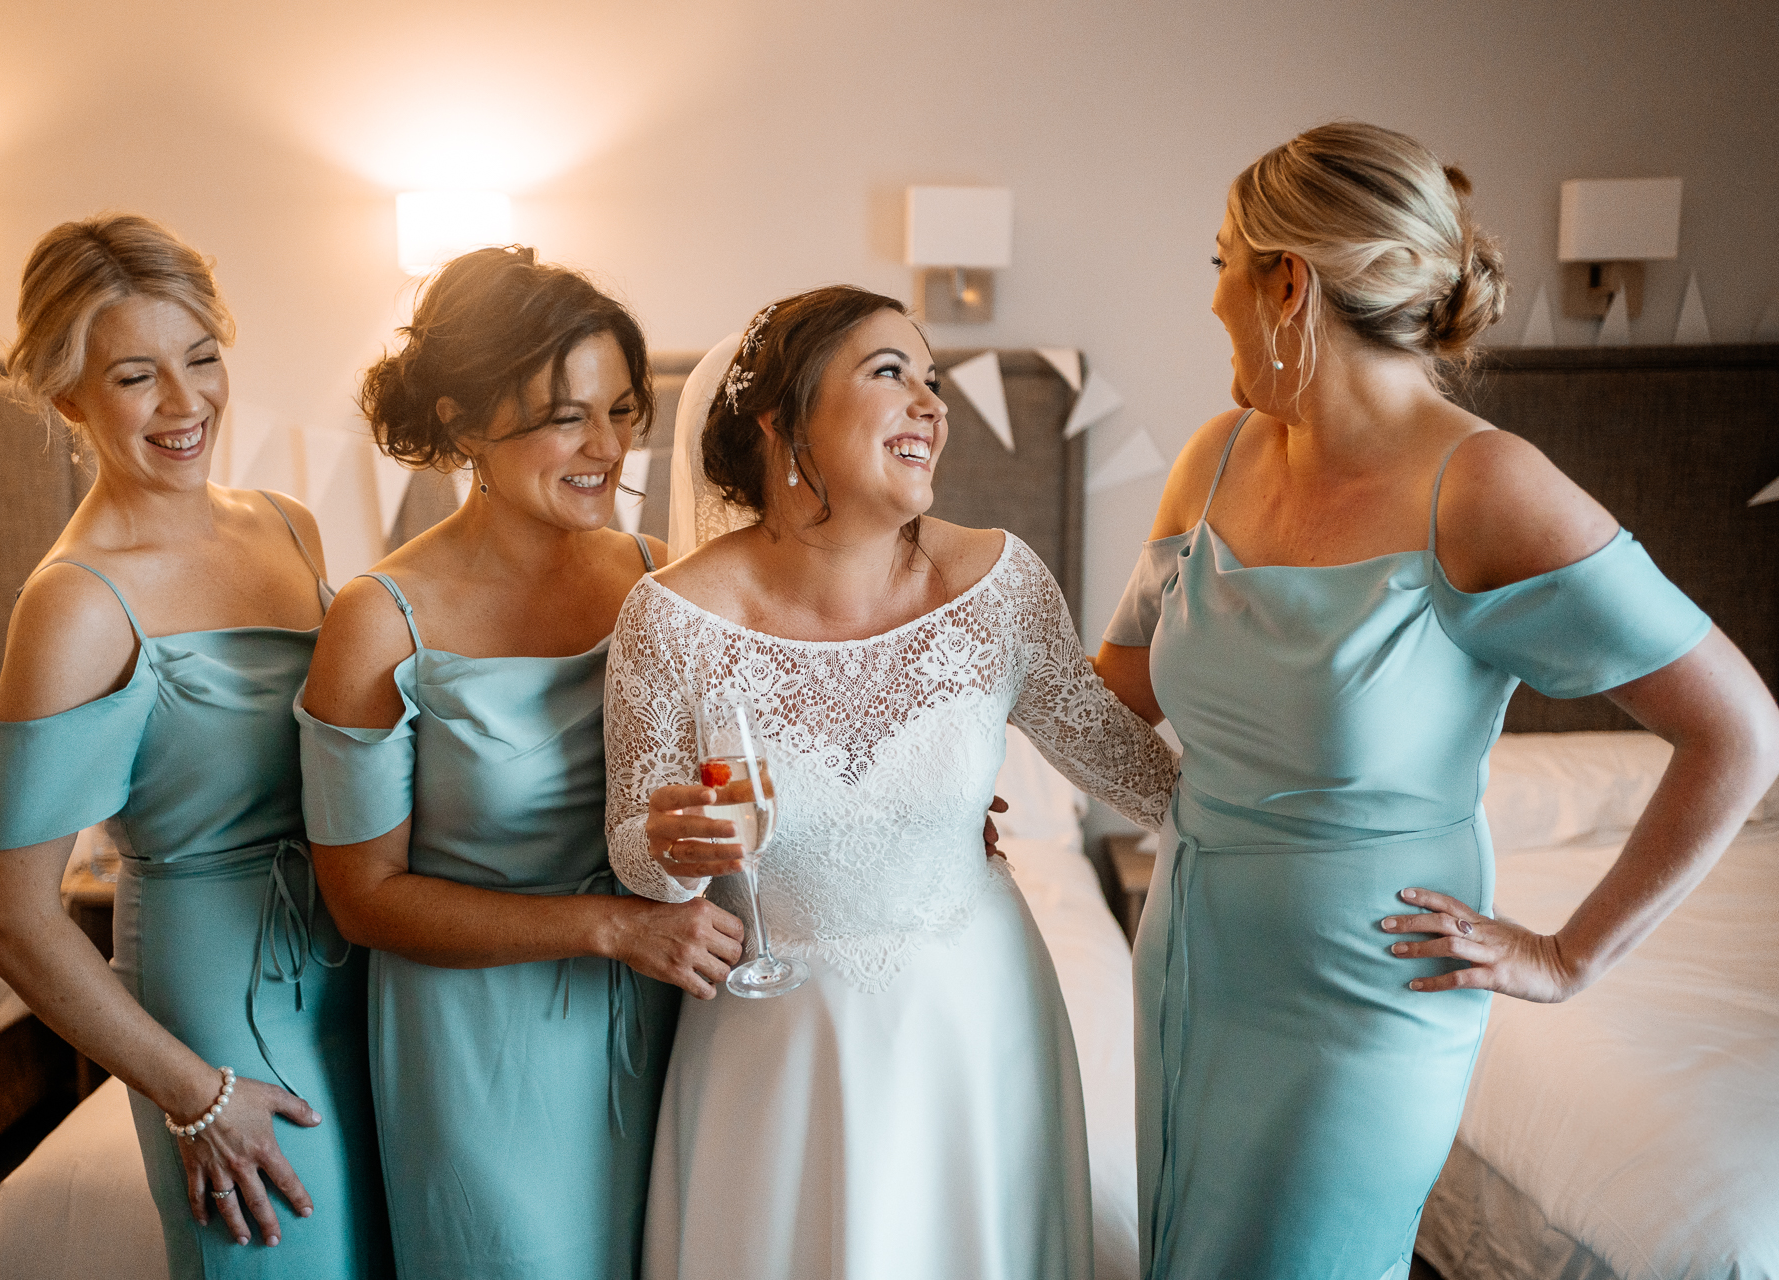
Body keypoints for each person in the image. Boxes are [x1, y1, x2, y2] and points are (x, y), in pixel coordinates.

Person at [1094, 121, 1779, 1278]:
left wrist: (1566, 956)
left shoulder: (1488, 486)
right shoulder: (1214, 457)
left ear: (1287, 284)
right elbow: (1113, 695)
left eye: (1221, 265)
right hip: (1191, 960)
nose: (1210, 301)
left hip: (1367, 996)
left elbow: (1740, 729)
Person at [605, 285, 1179, 1280]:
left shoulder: (996, 585)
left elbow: (1135, 772)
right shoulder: (670, 617)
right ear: (783, 423)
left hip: (975, 1025)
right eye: (889, 373)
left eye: (934, 378)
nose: (932, 404)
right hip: (773, 1040)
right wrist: (667, 846)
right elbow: (640, 859)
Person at [295, 246, 744, 1280]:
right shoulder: (378, 621)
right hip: (477, 1042)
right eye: (564, 416)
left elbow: (753, 745)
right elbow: (362, 897)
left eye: (623, 409)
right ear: (461, 423)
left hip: (663, 1008)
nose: (607, 447)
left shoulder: (655, 574)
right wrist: (614, 926)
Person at [0, 214, 391, 1277]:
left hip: (357, 961)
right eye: (136, 376)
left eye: (202, 359)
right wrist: (193, 1093)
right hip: (218, 999)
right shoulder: (74, 601)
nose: (187, 401)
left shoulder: (288, 524)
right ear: (70, 395)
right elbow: (7, 914)